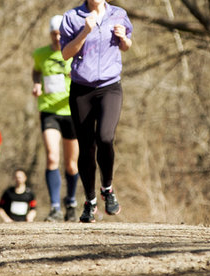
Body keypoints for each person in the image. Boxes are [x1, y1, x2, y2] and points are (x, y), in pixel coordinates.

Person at [60, 0, 132, 223]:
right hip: (82, 89)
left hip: (110, 86)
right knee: (87, 146)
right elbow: (65, 53)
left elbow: (126, 45)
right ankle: (90, 201)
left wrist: (124, 39)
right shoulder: (72, 17)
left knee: (105, 137)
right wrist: (85, 32)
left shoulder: (119, 14)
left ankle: (107, 189)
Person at [32, 15, 80, 222]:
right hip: (49, 110)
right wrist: (36, 84)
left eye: (60, 33)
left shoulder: (75, 52)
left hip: (72, 111)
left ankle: (70, 201)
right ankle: (54, 207)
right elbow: (36, 72)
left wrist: (76, 76)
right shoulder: (40, 54)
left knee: (71, 164)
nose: (57, 37)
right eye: (54, 33)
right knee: (52, 157)